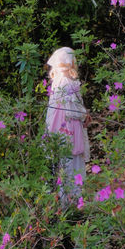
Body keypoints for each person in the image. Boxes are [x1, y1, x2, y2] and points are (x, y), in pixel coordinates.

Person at [45, 47, 90, 205]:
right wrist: (84, 114)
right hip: (69, 128)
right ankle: (71, 203)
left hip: (61, 128)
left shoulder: (57, 80)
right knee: (71, 163)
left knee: (65, 163)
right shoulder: (66, 82)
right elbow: (71, 110)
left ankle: (67, 201)